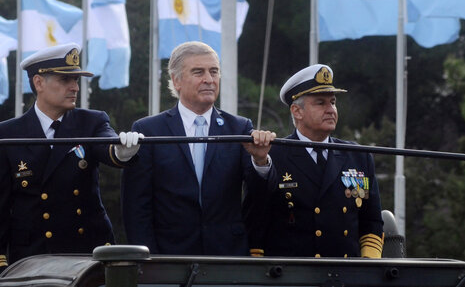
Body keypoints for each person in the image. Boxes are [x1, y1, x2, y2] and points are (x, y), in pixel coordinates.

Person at [121, 41, 275, 256]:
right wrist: (149, 261)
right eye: (198, 72)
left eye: (214, 71)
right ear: (176, 81)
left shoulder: (239, 128)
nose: (209, 80)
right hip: (169, 257)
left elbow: (259, 199)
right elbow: (136, 207)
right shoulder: (149, 130)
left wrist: (260, 162)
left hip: (227, 257)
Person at [0, 43, 143, 268]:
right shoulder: (8, 134)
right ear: (39, 83)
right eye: (65, 80)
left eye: (76, 80)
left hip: (85, 256)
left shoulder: (92, 121)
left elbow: (106, 145)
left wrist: (121, 151)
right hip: (32, 259)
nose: (75, 87)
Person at [246, 64, 383, 258]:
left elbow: (371, 220)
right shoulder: (272, 155)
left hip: (347, 273)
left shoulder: (357, 155)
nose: (331, 110)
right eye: (320, 103)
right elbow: (256, 219)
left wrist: (367, 266)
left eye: (333, 102)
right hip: (293, 276)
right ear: (297, 111)